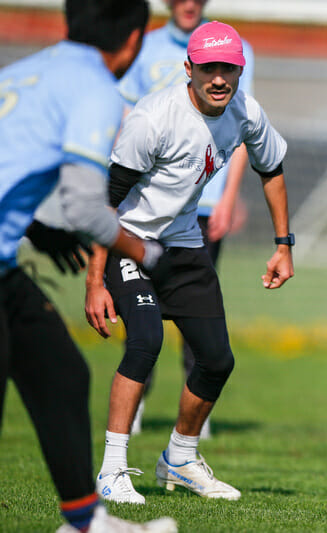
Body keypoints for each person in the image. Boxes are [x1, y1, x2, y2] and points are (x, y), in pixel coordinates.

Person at [85, 20, 294, 505]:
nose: (219, 78)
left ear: (241, 71)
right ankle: (112, 470)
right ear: (189, 69)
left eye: (229, 68)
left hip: (182, 243)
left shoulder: (245, 111)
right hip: (128, 243)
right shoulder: (153, 118)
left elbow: (272, 168)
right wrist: (94, 280)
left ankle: (179, 458)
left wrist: (284, 244)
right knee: (146, 340)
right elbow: (106, 202)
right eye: (208, 68)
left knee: (217, 360)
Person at [0, 1, 178, 531]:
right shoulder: (97, 89)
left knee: (60, 371)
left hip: (6, 262)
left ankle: (84, 521)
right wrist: (143, 252)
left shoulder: (25, 71)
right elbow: (83, 206)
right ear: (133, 39)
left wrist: (36, 229)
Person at [118, 0, 255, 440]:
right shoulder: (144, 46)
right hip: (148, 210)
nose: (188, 5)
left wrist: (229, 197)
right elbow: (125, 117)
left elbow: (243, 126)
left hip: (205, 209)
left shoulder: (237, 48)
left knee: (201, 322)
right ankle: (133, 411)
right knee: (144, 321)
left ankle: (195, 417)